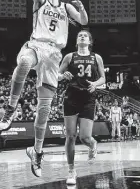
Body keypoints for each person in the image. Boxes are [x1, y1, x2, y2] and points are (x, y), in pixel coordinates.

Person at [0, 0, 88, 177]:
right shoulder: (39, 0)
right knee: (25, 63)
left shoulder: (66, 7)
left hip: (54, 55)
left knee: (44, 109)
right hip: (37, 45)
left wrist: (81, 10)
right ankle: (11, 108)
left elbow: (83, 22)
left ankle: (36, 152)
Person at [58, 30, 105, 185]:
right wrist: (62, 76)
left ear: (90, 41)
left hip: (88, 98)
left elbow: (103, 78)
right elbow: (57, 74)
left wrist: (95, 84)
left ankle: (92, 144)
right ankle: (71, 170)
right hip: (71, 97)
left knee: (84, 137)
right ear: (77, 41)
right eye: (80, 36)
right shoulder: (69, 56)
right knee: (70, 136)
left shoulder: (96, 57)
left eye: (85, 36)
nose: (82, 37)